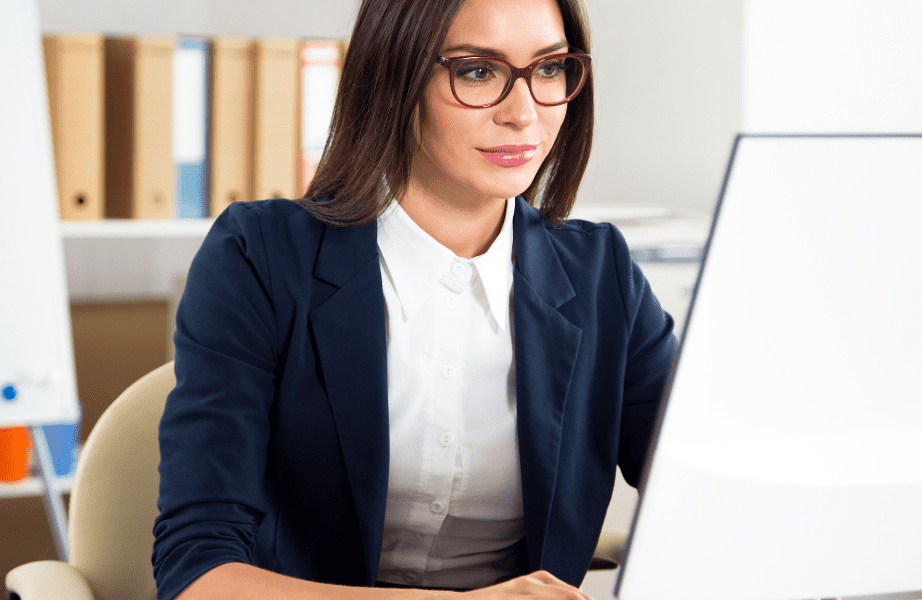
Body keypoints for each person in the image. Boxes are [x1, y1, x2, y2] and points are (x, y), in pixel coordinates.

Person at [152, 0, 677, 597]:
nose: (524, 113)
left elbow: (707, 483)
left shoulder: (600, 273)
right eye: (478, 72)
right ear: (395, 78)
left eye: (550, 69)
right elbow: (197, 574)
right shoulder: (260, 256)